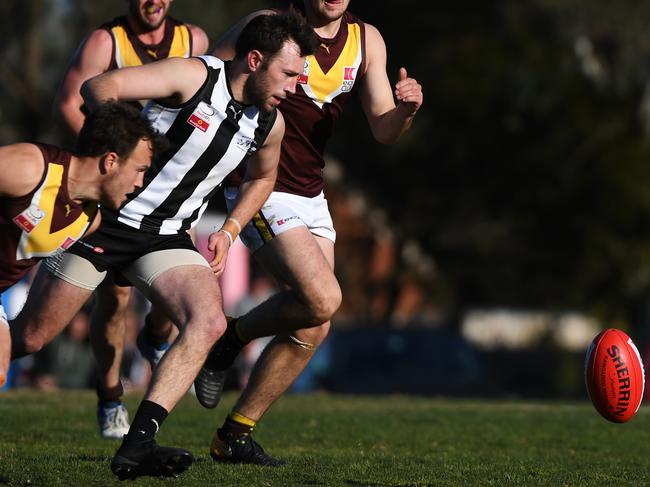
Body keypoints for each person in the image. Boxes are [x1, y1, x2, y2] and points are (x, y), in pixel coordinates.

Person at [10, 11, 319, 480]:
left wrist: (230, 228)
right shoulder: (194, 75)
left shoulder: (268, 124)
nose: (294, 88)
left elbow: (264, 176)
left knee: (210, 320)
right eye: (290, 74)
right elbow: (98, 89)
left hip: (166, 237)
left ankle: (136, 448)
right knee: (30, 338)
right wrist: (119, 150)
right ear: (254, 60)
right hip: (103, 223)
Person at [190, 0, 423, 466]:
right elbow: (207, 79)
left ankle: (235, 434)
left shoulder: (366, 40)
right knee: (322, 297)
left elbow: (383, 128)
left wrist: (407, 111)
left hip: (311, 195)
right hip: (260, 187)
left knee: (316, 324)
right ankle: (232, 338)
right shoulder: (266, 25)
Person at [52, 0, 209, 440]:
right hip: (119, 188)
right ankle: (110, 396)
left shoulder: (193, 40)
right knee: (115, 300)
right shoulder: (107, 41)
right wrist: (111, 158)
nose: (153, 2)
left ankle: (156, 341)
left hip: (173, 193)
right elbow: (67, 103)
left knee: (173, 297)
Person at [0, 100, 162, 389]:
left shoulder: (90, 221)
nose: (141, 182)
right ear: (110, 161)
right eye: (139, 169)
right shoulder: (31, 168)